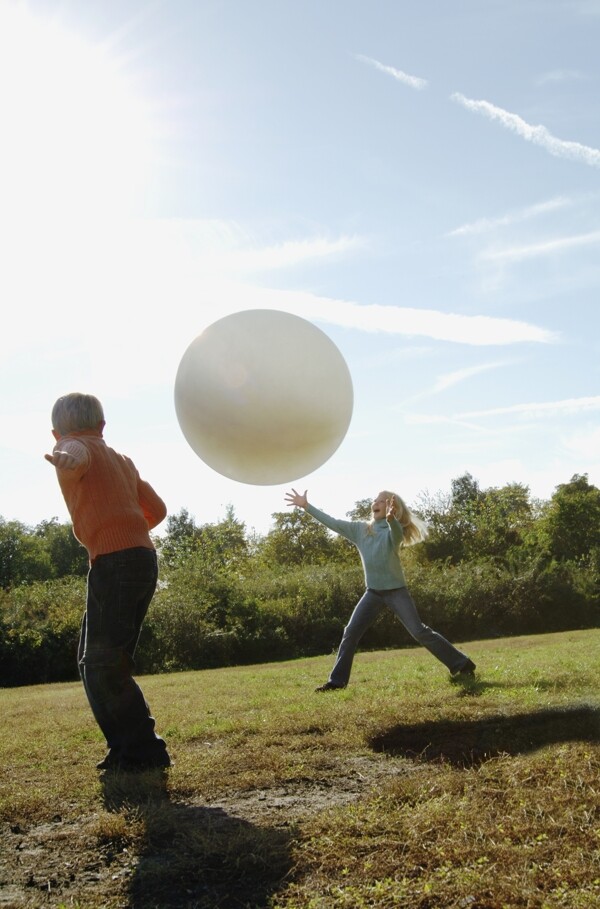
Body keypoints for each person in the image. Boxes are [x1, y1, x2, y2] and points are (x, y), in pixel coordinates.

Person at [45, 393, 171, 771]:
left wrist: (67, 462)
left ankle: (143, 751)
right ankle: (123, 747)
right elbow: (158, 510)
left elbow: (74, 457)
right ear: (102, 426)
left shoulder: (70, 446)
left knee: (102, 664)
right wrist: (130, 530)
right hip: (139, 559)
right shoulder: (121, 460)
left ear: (55, 433)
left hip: (115, 563)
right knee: (93, 661)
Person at [284, 488, 476, 690]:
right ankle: (337, 682)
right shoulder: (360, 530)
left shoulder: (394, 532)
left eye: (382, 501)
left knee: (419, 631)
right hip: (373, 593)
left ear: (392, 507)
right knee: (350, 633)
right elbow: (333, 522)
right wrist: (306, 506)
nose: (376, 502)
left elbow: (395, 533)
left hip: (396, 591)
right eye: (375, 500)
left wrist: (392, 519)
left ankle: (462, 664)